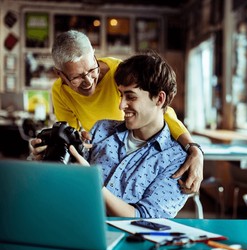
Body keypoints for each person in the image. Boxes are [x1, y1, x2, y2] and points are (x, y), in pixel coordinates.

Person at [30, 30, 203, 193]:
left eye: (92, 69)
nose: (88, 81)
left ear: (94, 55)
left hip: (135, 150)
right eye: (76, 77)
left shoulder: (118, 72)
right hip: (101, 157)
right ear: (59, 74)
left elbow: (161, 109)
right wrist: (50, 153)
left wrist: (193, 149)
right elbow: (71, 137)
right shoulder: (60, 91)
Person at [71, 51, 188, 218]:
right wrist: (47, 159)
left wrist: (92, 182)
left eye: (130, 97)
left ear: (159, 99)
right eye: (120, 95)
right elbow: (68, 184)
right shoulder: (101, 129)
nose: (121, 105)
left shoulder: (177, 160)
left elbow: (146, 218)